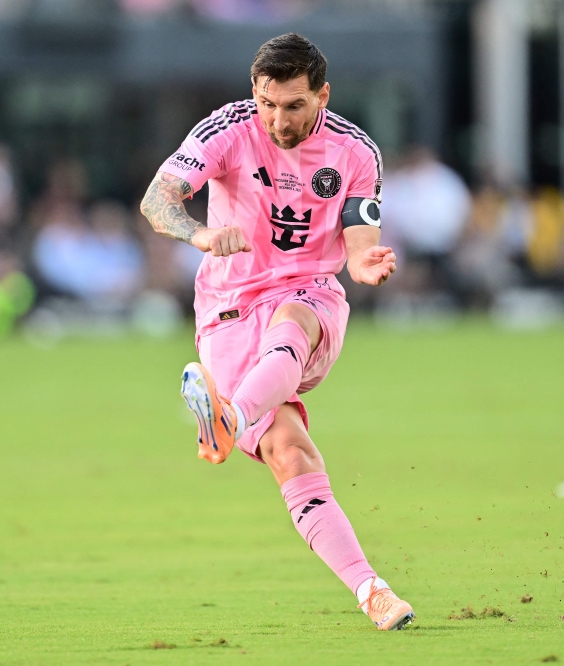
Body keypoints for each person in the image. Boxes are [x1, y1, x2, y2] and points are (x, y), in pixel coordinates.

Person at [139, 33, 414, 631]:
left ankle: (228, 419)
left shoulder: (354, 150)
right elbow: (157, 200)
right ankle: (373, 591)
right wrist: (199, 235)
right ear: (253, 94)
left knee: (294, 322)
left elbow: (361, 235)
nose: (277, 119)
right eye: (267, 103)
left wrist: (364, 262)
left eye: (293, 105)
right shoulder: (226, 129)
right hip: (227, 306)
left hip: (309, 292)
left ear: (323, 94)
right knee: (290, 452)